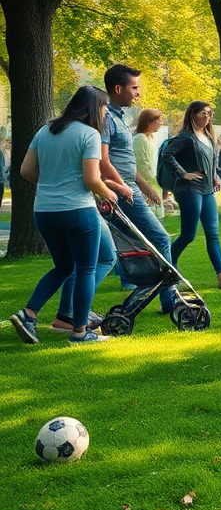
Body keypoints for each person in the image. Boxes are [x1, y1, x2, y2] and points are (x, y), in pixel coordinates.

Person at [11, 86, 118, 344]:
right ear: (94, 109)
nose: (105, 113)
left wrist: (52, 184)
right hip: (78, 210)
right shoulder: (90, 134)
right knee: (86, 269)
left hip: (45, 210)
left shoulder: (45, 130)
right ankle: (80, 331)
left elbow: (26, 170)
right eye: (104, 108)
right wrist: (108, 194)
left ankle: (28, 314)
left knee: (63, 266)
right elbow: (92, 179)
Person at [100, 65, 175, 309]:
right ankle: (169, 300)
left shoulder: (120, 117)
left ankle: (155, 292)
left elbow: (125, 162)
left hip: (130, 189)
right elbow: (103, 161)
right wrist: (124, 188)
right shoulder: (106, 119)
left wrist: (145, 187)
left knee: (139, 243)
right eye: (134, 88)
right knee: (160, 238)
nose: (138, 93)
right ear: (118, 88)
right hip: (121, 193)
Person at [161, 101, 221, 289]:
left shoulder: (207, 135)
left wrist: (214, 176)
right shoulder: (186, 137)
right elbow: (167, 155)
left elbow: (210, 161)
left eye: (210, 113)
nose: (208, 117)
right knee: (189, 235)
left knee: (213, 234)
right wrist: (183, 174)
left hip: (206, 190)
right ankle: (165, 265)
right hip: (189, 189)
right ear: (193, 115)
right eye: (204, 113)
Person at [131, 108, 166, 218]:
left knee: (158, 216)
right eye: (159, 120)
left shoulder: (150, 137)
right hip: (146, 186)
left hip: (154, 183)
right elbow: (142, 165)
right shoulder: (140, 138)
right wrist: (153, 183)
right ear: (149, 121)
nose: (161, 123)